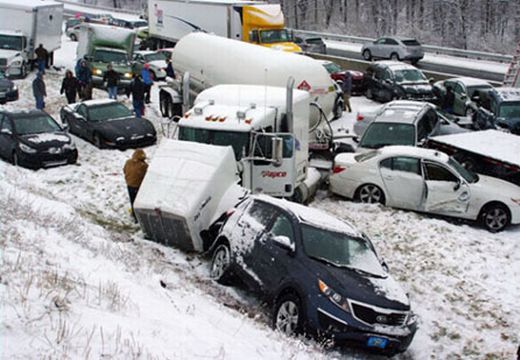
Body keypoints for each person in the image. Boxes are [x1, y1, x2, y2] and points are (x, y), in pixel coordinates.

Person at [123, 149, 148, 222]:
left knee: (132, 201)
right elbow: (146, 176)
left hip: (129, 185)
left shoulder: (128, 162)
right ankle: (138, 217)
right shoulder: (144, 166)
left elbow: (124, 170)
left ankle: (134, 215)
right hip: (138, 186)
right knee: (138, 202)